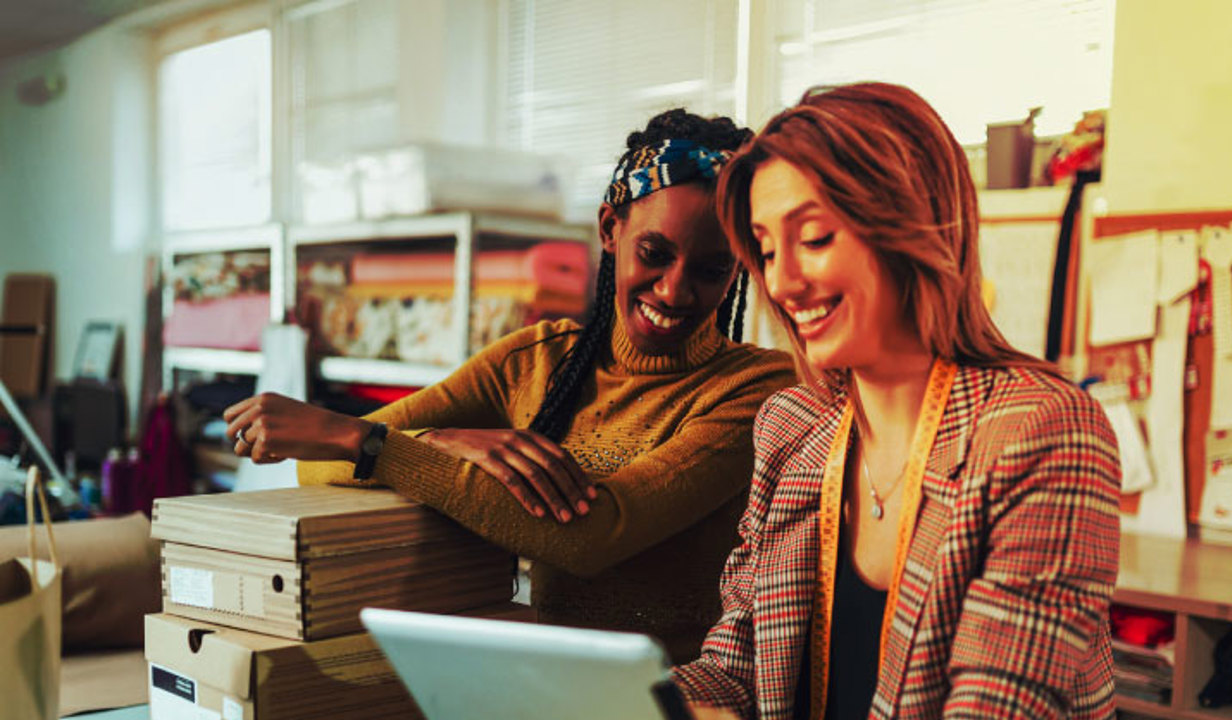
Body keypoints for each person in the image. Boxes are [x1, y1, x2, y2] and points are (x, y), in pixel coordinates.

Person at [223, 109, 797, 663]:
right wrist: (440, 440)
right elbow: (317, 461)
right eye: (654, 254)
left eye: (711, 270)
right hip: (538, 685)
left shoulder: (756, 389)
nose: (675, 291)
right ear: (609, 230)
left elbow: (594, 535)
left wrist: (375, 444)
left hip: (678, 703)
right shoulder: (537, 359)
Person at [674, 83, 1121, 719]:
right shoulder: (790, 426)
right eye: (767, 250)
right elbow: (735, 667)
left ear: (908, 223)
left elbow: (996, 706)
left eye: (816, 238)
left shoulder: (1041, 430)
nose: (782, 281)